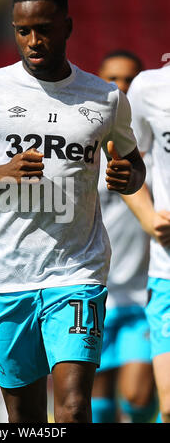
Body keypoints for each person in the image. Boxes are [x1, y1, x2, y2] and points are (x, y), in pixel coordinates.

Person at [0, 0, 146, 423]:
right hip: (6, 276)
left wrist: (128, 175)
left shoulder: (106, 97)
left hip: (77, 271)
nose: (34, 40)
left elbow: (134, 168)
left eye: (45, 28)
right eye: (23, 30)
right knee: (25, 417)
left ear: (68, 27)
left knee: (72, 407)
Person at [91, 50, 157, 423]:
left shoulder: (154, 151)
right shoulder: (83, 152)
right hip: (96, 290)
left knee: (137, 395)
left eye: (130, 79)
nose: (121, 87)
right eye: (112, 79)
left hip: (143, 292)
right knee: (93, 400)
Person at [122, 64, 170, 423]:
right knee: (166, 405)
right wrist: (150, 218)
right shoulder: (150, 88)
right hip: (164, 272)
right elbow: (129, 164)